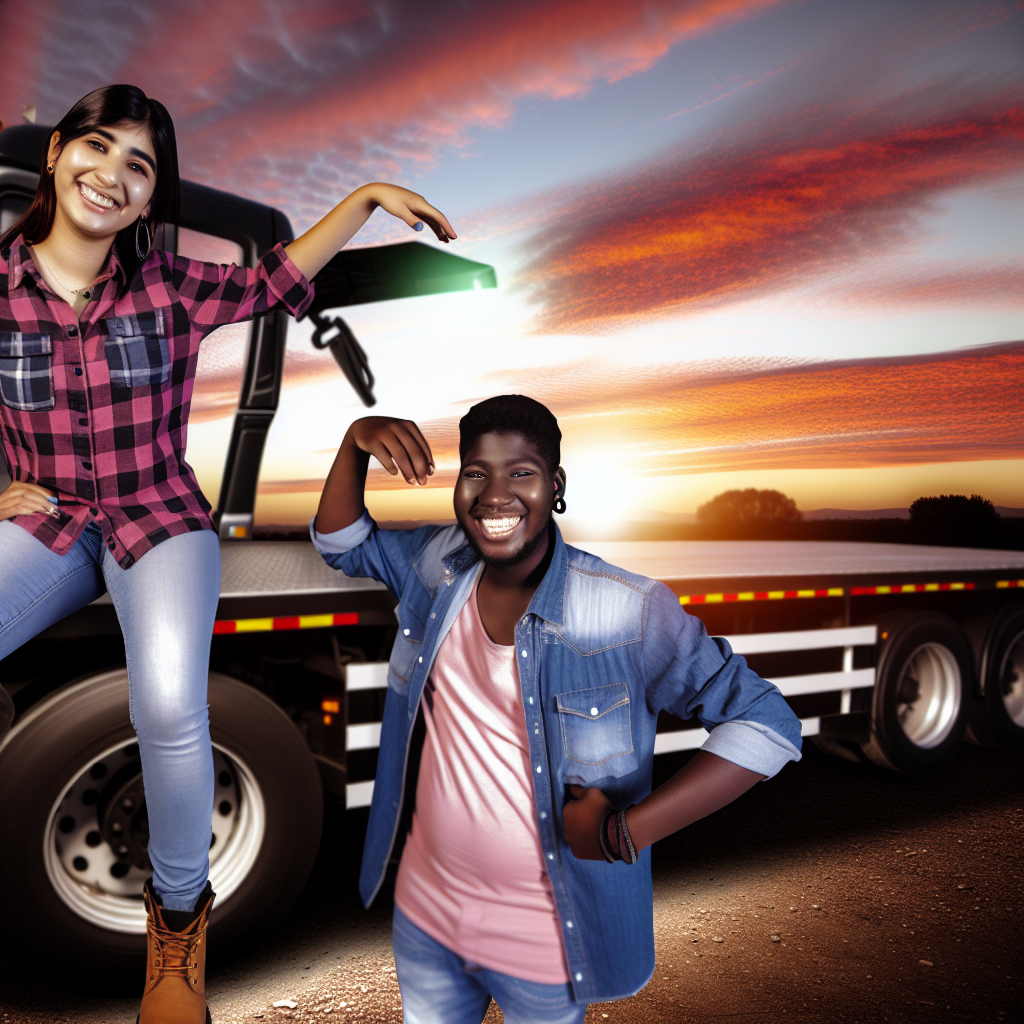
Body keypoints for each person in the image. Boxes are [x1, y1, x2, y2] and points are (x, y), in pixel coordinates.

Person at [0, 83, 455, 1024]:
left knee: (167, 704)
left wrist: (366, 195)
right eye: (98, 146)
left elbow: (280, 280)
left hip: (160, 521)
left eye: (140, 166)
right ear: (55, 155)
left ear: (148, 199)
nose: (114, 174)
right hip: (47, 524)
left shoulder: (172, 287)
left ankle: (176, 936)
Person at [311, 395, 803, 1024]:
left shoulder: (627, 609)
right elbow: (341, 542)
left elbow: (766, 723)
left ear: (556, 485)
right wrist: (356, 439)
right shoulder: (435, 566)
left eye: (521, 472)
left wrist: (626, 833)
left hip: (544, 947)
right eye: (476, 472)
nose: (495, 494)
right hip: (427, 922)